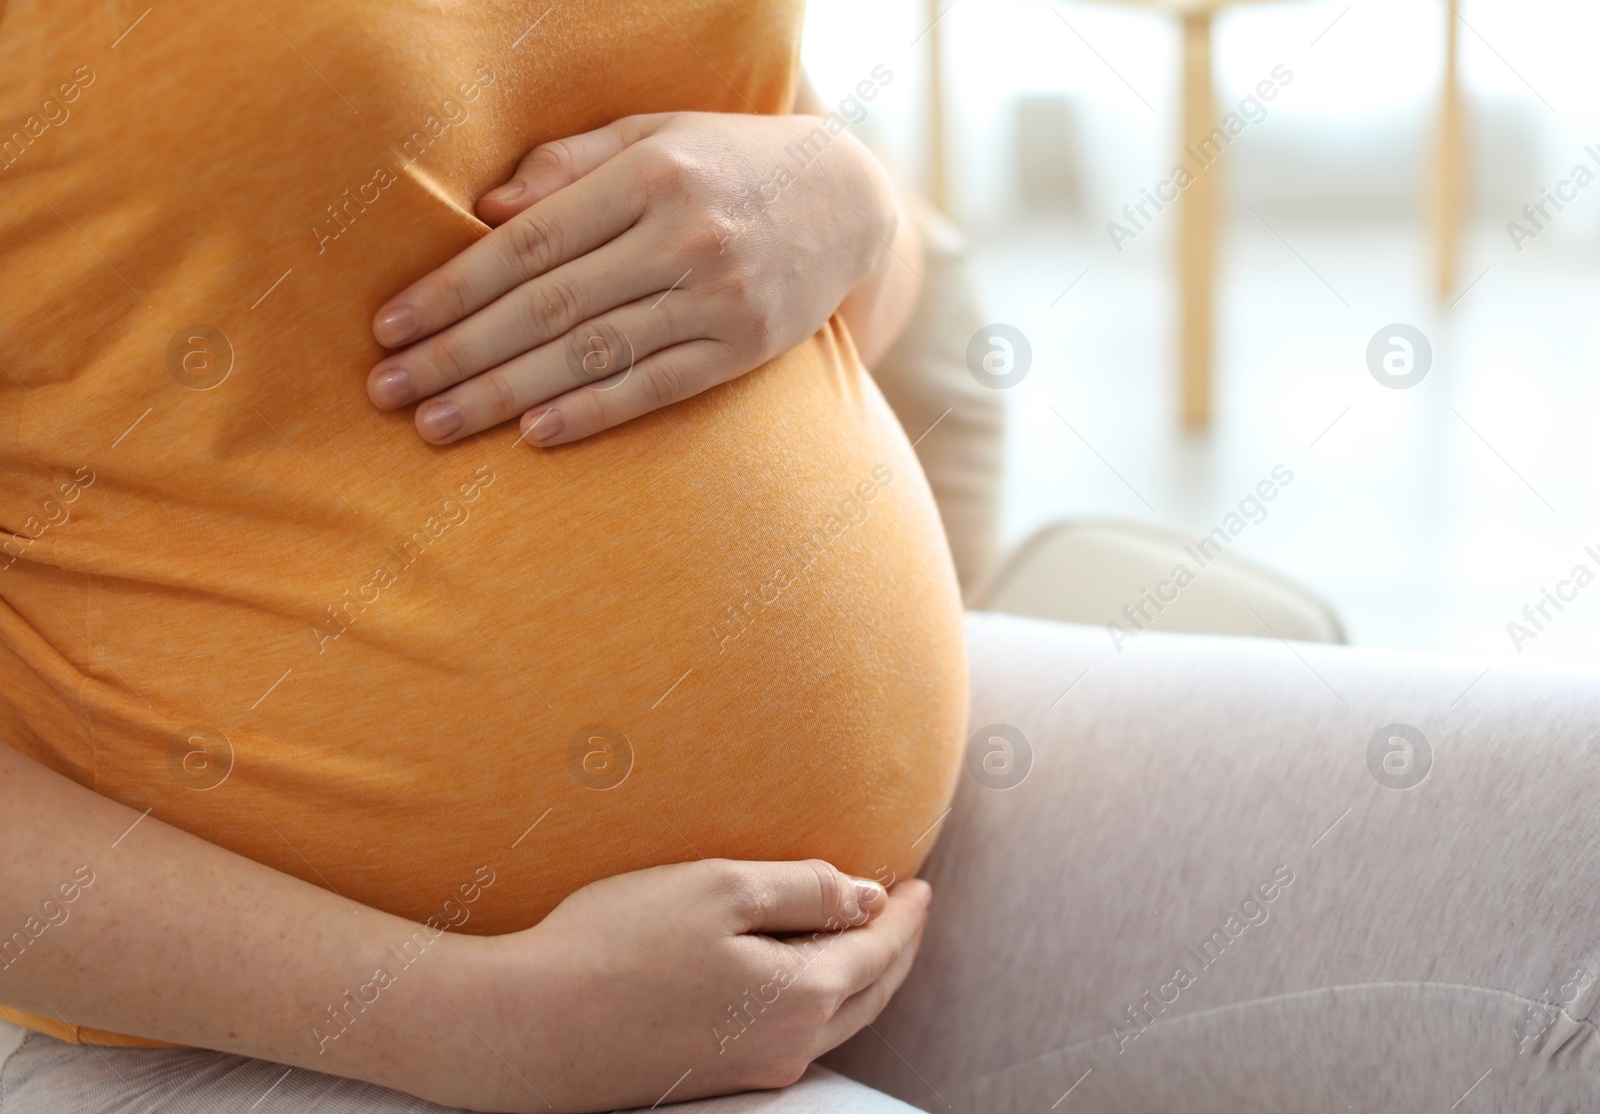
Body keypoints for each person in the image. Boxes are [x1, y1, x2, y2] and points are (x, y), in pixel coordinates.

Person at [4, 3, 1600, 1112]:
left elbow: (803, 283)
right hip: (280, 1010)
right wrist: (462, 1020)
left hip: (905, 860)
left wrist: (845, 205)